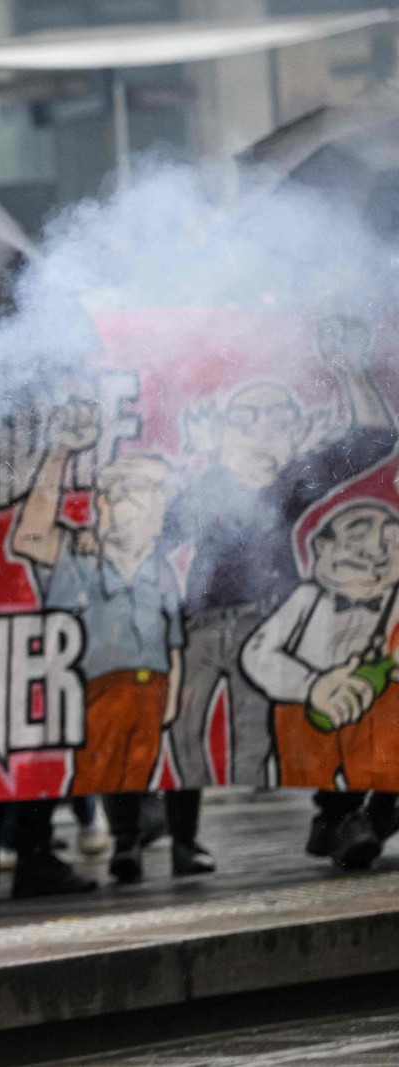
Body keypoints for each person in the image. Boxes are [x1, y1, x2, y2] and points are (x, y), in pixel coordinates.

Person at [161, 316, 397, 866]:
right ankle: (177, 839)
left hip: (273, 620)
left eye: (275, 419)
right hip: (202, 623)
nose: (261, 430)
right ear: (218, 432)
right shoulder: (200, 490)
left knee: (286, 725)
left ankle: (332, 817)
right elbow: (152, 541)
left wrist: (350, 371)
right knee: (184, 730)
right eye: (246, 419)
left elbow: (374, 439)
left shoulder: (293, 478)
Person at [10, 401, 191, 884]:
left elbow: (173, 639)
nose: (148, 504)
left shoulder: (164, 571)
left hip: (150, 689)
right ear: (105, 504)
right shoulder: (78, 554)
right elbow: (30, 535)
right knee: (99, 768)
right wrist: (58, 455)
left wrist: (171, 700)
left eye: (157, 494)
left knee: (138, 768)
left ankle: (128, 843)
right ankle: (109, 840)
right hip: (96, 690)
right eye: (134, 492)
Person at [241, 502, 399, 868]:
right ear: (322, 548)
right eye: (360, 539)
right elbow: (258, 653)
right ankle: (338, 819)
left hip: (375, 723)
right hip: (317, 720)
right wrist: (312, 685)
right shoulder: (307, 600)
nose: (375, 553)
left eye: (388, 543)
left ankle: (374, 813)